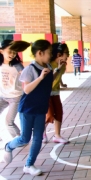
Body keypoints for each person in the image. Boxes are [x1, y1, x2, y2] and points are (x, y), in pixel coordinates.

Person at [2, 39, 54, 176]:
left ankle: (29, 164)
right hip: (27, 109)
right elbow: (27, 90)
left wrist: (59, 71)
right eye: (49, 52)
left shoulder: (48, 66)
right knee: (25, 138)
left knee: (38, 138)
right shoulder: (30, 69)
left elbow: (49, 87)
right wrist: (40, 77)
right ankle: (8, 146)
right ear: (40, 53)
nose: (51, 55)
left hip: (41, 109)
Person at [0, 40, 30, 141]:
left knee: (9, 122)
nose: (12, 54)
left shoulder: (17, 66)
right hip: (2, 96)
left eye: (14, 52)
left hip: (15, 97)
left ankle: (20, 139)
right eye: (10, 51)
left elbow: (27, 77)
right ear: (1, 51)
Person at [43, 43, 69, 144]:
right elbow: (49, 79)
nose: (68, 55)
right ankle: (41, 132)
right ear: (59, 54)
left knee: (59, 113)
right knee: (49, 115)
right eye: (67, 53)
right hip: (46, 93)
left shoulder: (62, 65)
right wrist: (57, 69)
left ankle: (57, 135)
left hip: (55, 92)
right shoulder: (49, 65)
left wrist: (61, 84)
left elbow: (59, 77)